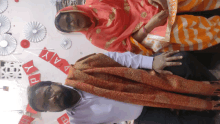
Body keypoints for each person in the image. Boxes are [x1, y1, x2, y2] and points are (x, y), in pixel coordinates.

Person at [28, 51, 220, 124]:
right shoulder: (78, 121)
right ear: (48, 111)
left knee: (182, 61)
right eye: (46, 104)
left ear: (53, 83)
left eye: (47, 93)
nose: (51, 99)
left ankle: (213, 89)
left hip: (143, 82)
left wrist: (151, 62)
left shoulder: (81, 69)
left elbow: (118, 59)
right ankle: (211, 111)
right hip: (142, 115)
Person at [55, 0, 220, 55]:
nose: (72, 22)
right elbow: (129, 45)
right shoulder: (96, 39)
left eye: (69, 18)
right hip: (148, 29)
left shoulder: (94, 1)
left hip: (146, 2)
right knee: (176, 31)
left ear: (72, 10)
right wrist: (151, 24)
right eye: (69, 26)